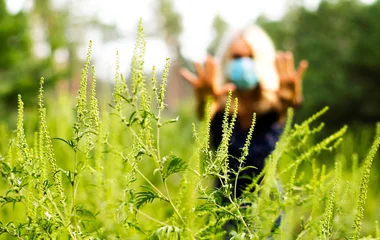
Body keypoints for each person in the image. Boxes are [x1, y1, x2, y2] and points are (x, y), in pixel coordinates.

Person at [180, 24, 308, 198]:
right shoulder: (218, 104)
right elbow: (204, 113)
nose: (244, 63)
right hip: (225, 205)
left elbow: (289, 105)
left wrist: (292, 99)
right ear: (226, 60)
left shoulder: (275, 105)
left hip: (267, 204)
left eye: (251, 56)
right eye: (237, 57)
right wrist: (205, 101)